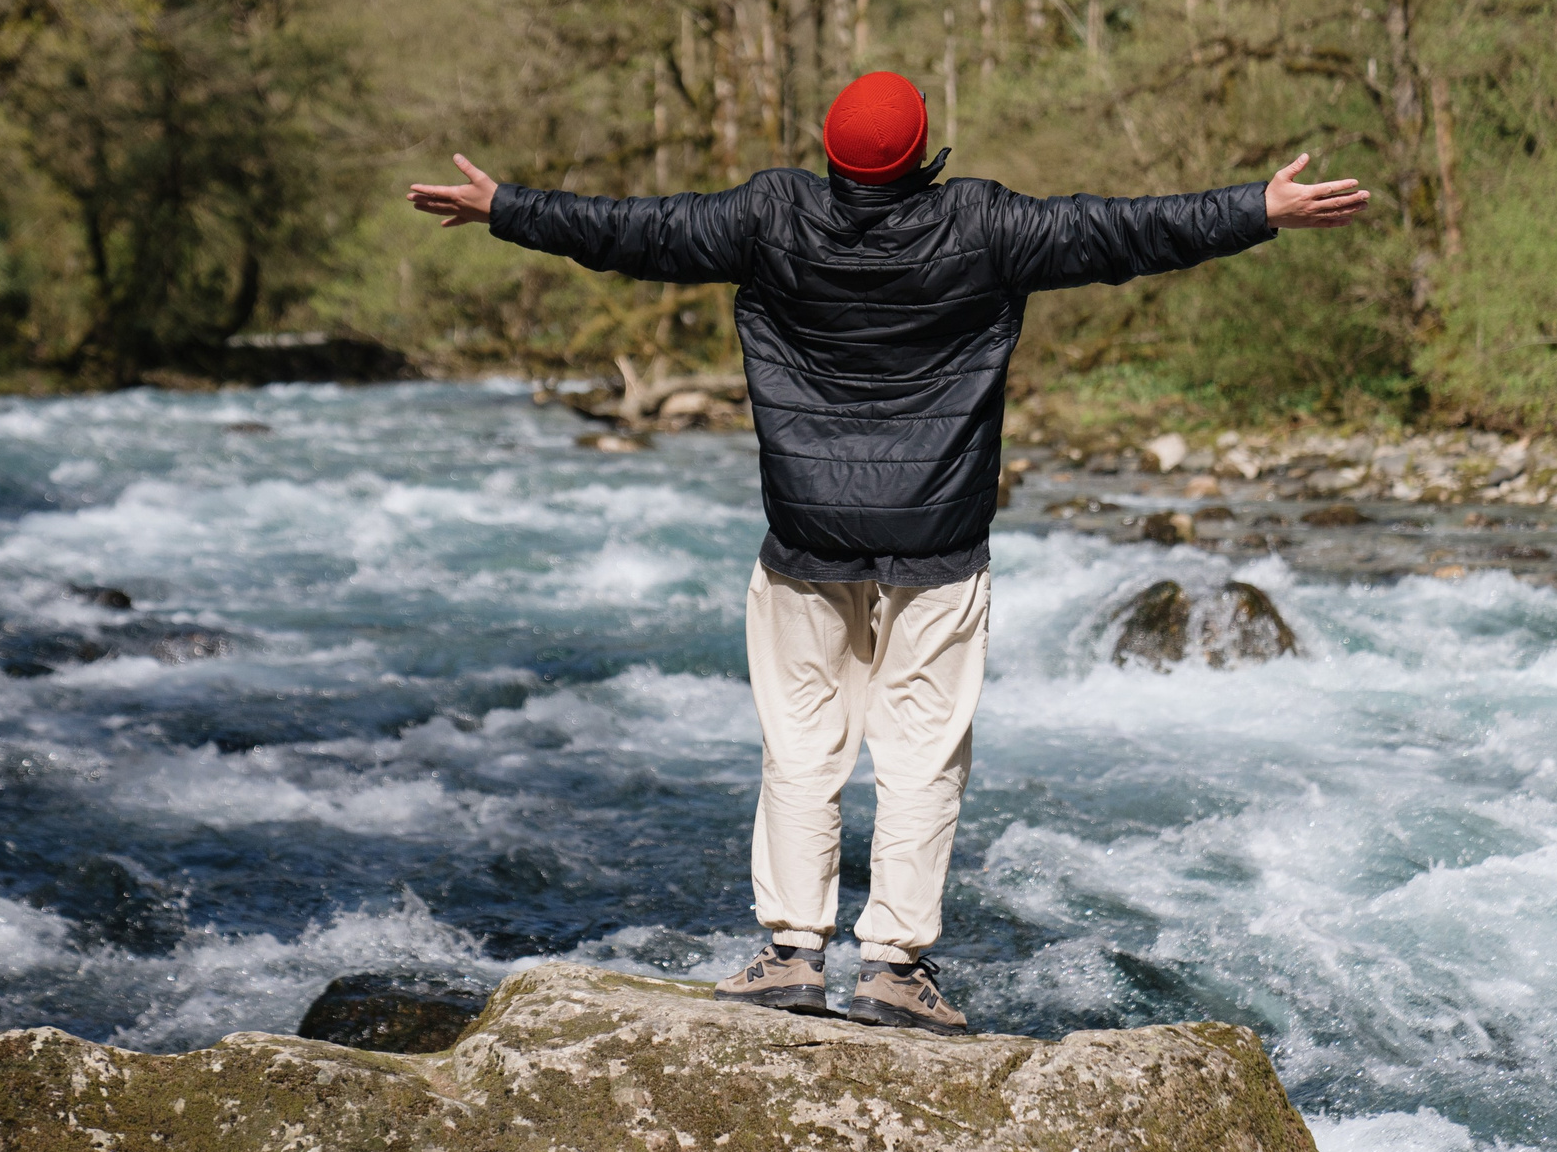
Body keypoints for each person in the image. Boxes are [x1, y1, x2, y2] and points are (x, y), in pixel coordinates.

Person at [409, 70, 1368, 1033]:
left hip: (807, 534)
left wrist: (508, 208)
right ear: (923, 156)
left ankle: (791, 954)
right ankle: (895, 970)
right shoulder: (984, 225)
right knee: (921, 757)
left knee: (801, 744)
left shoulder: (769, 215)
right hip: (940, 537)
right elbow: (1122, 232)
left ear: (831, 153)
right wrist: (1259, 208)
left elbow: (634, 233)